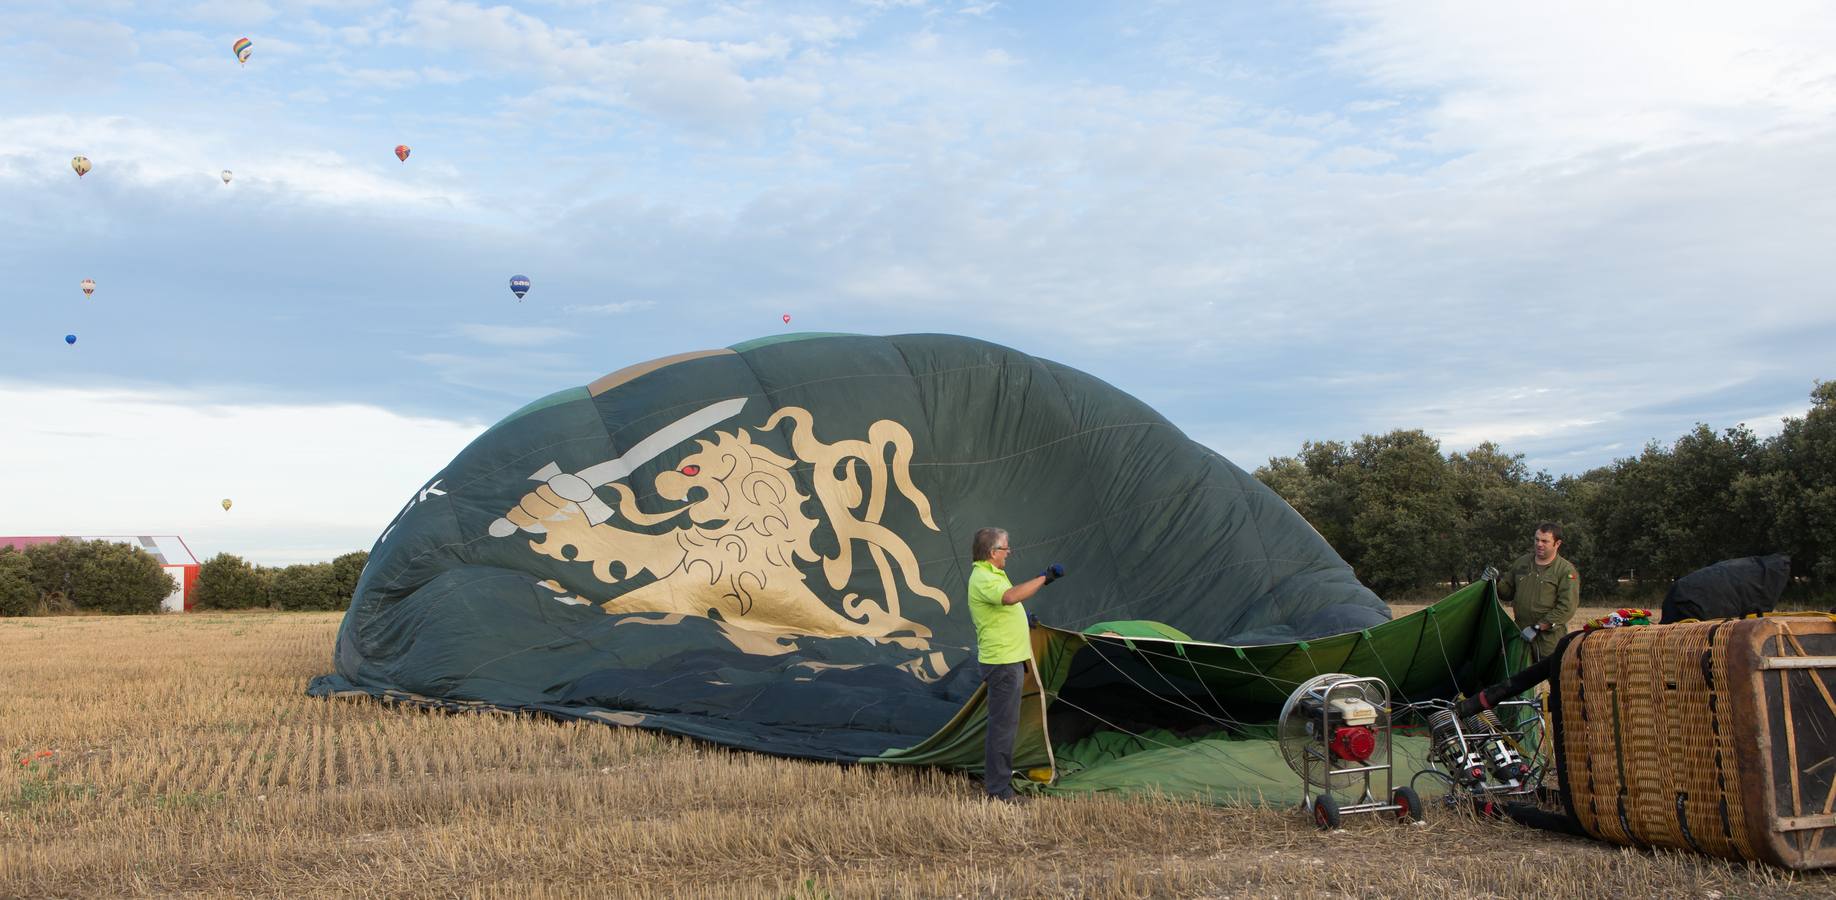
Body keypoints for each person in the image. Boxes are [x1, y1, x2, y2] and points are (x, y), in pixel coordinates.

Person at [966, 527, 1065, 803]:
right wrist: (1045, 578)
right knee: (1003, 727)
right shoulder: (983, 577)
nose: (1009, 553)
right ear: (992, 552)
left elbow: (1006, 602)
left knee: (1005, 724)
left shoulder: (993, 574)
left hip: (1010, 660)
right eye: (1006, 548)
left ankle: (999, 784)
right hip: (1003, 663)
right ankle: (999, 791)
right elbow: (1009, 596)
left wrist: (1023, 618)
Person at [1493, 523, 1580, 660]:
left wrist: (1538, 627)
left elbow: (1566, 607)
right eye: (1537, 539)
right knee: (1517, 677)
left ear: (1557, 543)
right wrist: (1496, 581)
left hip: (1549, 638)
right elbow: (1507, 593)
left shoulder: (1566, 570)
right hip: (1521, 633)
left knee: (1555, 676)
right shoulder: (1522, 563)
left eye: (1545, 541)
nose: (1539, 544)